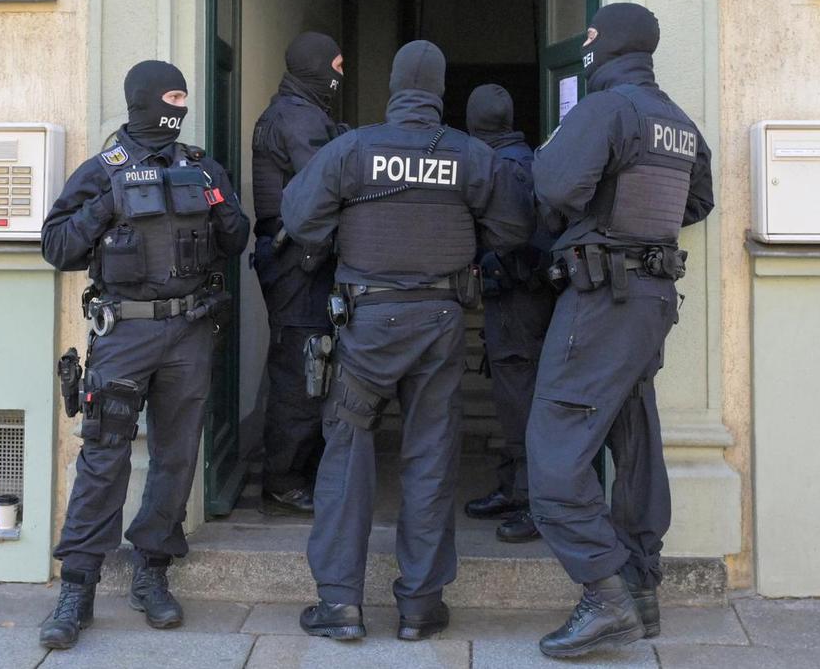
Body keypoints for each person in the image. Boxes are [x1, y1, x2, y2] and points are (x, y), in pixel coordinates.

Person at [281, 40, 533, 643]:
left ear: (394, 87)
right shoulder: (469, 155)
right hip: (440, 323)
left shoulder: (353, 148)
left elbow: (299, 219)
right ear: (440, 90)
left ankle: (340, 605)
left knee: (347, 454)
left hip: (366, 323)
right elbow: (514, 227)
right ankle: (420, 606)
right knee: (430, 456)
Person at [37, 60, 250, 650]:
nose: (180, 107)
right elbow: (56, 247)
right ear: (144, 100)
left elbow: (235, 242)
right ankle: (77, 587)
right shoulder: (103, 169)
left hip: (190, 331)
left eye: (184, 96)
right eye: (172, 95)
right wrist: (107, 204)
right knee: (104, 456)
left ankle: (152, 571)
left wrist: (224, 206)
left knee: (176, 456)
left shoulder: (200, 165)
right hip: (124, 333)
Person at [527, 3, 714, 659]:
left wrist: (599, 221)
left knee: (553, 448)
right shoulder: (679, 123)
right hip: (652, 300)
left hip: (603, 299)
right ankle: (640, 588)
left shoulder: (606, 110)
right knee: (633, 441)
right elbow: (697, 202)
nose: (585, 42)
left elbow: (552, 186)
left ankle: (603, 595)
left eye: (592, 34)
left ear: (609, 44)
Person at [250, 32, 346, 515]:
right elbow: (326, 183)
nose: (340, 74)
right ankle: (284, 478)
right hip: (297, 263)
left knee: (307, 364)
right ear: (315, 68)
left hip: (294, 259)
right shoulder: (297, 117)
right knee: (301, 370)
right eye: (335, 64)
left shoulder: (298, 112)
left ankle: (294, 471)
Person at [462, 84, 556, 543]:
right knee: (510, 395)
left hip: (519, 297)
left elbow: (520, 238)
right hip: (520, 296)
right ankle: (512, 487)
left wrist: (493, 265)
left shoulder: (501, 166)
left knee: (520, 398)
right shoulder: (525, 157)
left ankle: (533, 501)